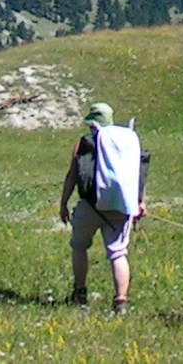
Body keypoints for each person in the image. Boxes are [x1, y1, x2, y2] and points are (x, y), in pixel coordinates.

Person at [58, 102, 147, 314]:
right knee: (118, 253)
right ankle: (121, 301)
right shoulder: (127, 140)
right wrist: (139, 201)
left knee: (79, 246)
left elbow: (73, 174)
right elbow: (137, 172)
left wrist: (63, 203)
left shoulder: (85, 143)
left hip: (91, 205)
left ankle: (80, 292)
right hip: (121, 206)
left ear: (93, 124)